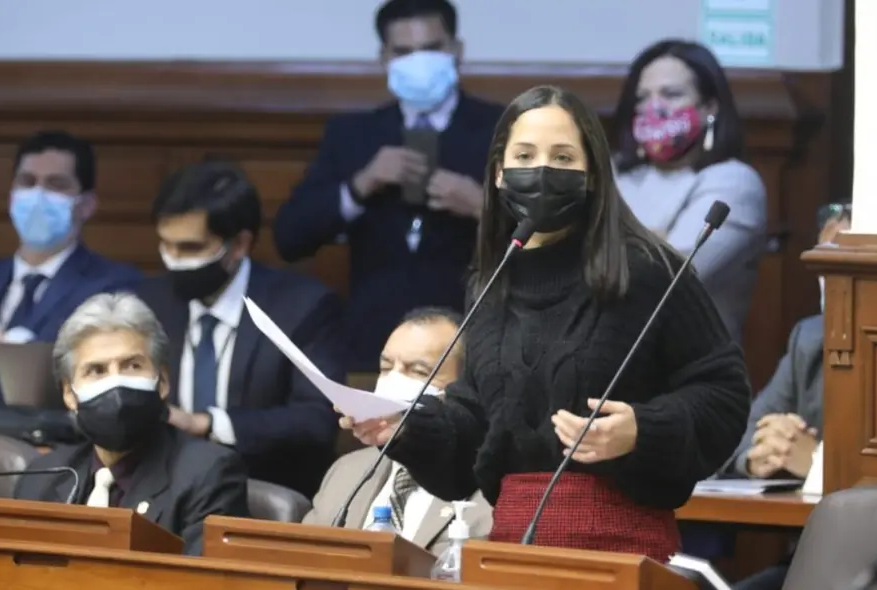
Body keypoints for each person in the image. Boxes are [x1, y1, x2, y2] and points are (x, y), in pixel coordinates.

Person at [340, 85, 751, 561]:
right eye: (525, 155)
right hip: (510, 547)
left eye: (562, 157)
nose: (542, 171)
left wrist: (642, 429)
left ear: (593, 174)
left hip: (621, 547)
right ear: (499, 173)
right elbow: (478, 426)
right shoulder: (491, 283)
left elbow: (724, 393)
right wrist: (407, 428)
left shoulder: (647, 270)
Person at [273, 0, 503, 371]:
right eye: (404, 52)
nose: (419, 62)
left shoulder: (502, 130)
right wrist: (361, 185)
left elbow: (550, 241)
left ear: (456, 52)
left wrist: (482, 207)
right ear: (384, 58)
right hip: (375, 345)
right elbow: (290, 237)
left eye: (431, 49)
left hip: (475, 346)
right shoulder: (353, 136)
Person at [136, 161, 344, 499]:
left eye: (190, 248)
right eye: (166, 244)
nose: (173, 259)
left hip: (262, 493)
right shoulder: (147, 303)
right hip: (162, 491)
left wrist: (207, 424)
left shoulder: (301, 308)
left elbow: (316, 419)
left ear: (239, 245)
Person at [0, 130, 141, 415]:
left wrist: (13, 349)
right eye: (27, 182)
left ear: (86, 205)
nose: (38, 195)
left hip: (55, 450)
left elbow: (100, 383)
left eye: (56, 184)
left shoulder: (114, 287)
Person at [14, 293, 250, 555]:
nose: (116, 383)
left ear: (162, 382)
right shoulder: (41, 478)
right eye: (97, 371)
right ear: (69, 394)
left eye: (132, 366)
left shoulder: (208, 474)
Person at [727, 203, 850, 590]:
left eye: (846, 255)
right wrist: (760, 454)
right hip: (811, 560)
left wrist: (815, 465)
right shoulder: (810, 340)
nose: (831, 275)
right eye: (825, 255)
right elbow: (739, 436)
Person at [303, 307, 493, 555]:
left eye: (418, 371)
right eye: (386, 367)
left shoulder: (491, 488)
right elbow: (303, 561)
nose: (393, 380)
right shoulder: (347, 472)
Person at [613, 40, 767, 343]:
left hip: (688, 378)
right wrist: (653, 238)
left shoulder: (734, 182)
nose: (654, 107)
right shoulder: (614, 172)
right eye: (643, 97)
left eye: (671, 94)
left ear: (709, 108)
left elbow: (669, 277)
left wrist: (597, 238)